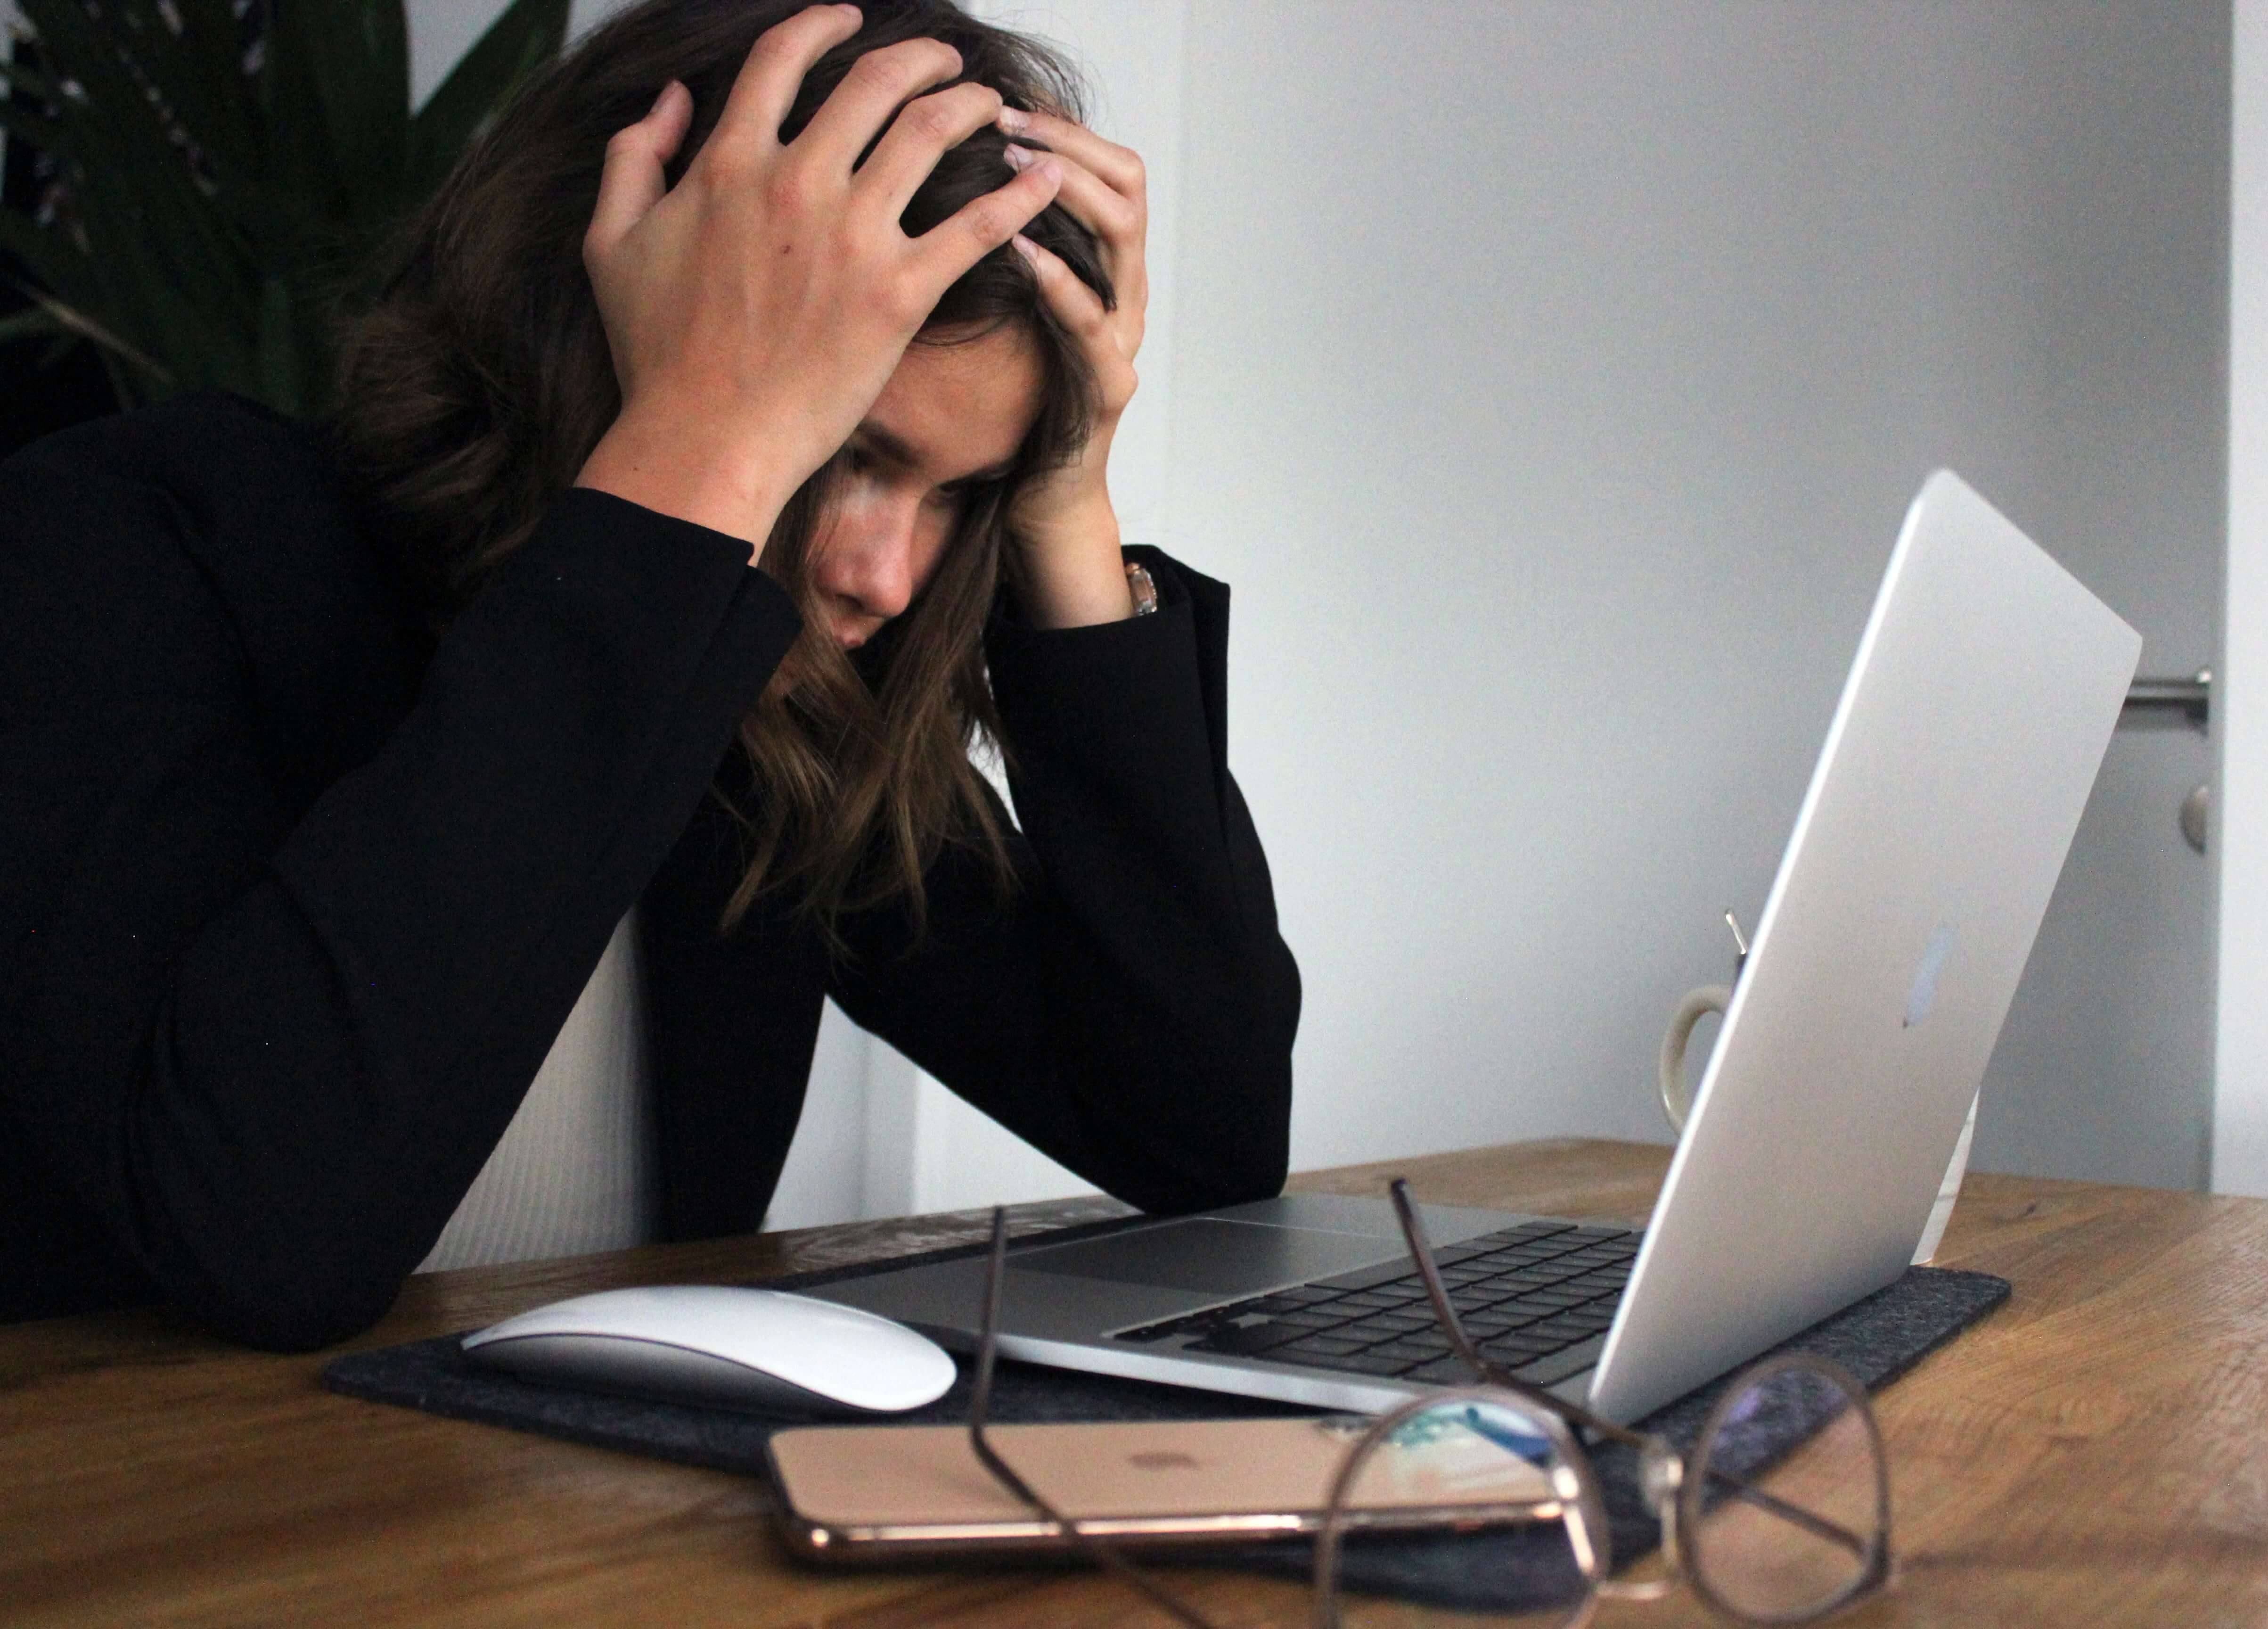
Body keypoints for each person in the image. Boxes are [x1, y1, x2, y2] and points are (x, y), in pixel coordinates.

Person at [0, 0, 1299, 1349]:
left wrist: (1063, 502)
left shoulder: (766, 712)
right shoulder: (123, 547)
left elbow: (1199, 1131)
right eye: (846, 448)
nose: (884, 578)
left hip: (594, 1546)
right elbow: (260, 1239)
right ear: (601, 316)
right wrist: (703, 447)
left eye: (957, 495)